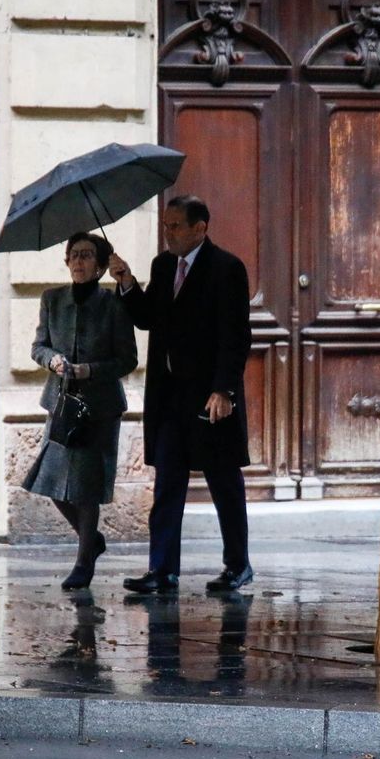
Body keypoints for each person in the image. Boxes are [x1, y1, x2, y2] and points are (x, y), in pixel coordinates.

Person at [107, 196, 253, 595]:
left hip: (210, 400)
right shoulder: (163, 265)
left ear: (199, 228)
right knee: (167, 485)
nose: (167, 232)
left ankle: (237, 565)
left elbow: (236, 336)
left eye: (175, 225)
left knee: (224, 483)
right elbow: (150, 319)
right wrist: (126, 283)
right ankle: (162, 570)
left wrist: (223, 389)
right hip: (170, 400)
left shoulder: (227, 269)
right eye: (166, 225)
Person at [23, 232, 139, 591]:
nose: (78, 262)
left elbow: (128, 360)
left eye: (87, 256)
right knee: (51, 483)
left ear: (102, 265)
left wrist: (91, 370)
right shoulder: (52, 299)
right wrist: (52, 359)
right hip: (61, 404)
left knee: (86, 489)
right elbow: (37, 346)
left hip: (100, 408)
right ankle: (93, 540)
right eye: (73, 255)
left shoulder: (114, 304)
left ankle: (84, 560)